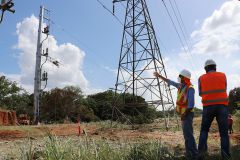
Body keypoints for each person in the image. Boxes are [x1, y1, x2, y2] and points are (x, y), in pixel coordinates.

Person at [154, 69, 198, 159]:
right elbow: (170, 82)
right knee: (186, 135)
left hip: (187, 114)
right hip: (184, 114)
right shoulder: (180, 86)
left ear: (185, 78)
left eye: (180, 77)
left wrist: (184, 114)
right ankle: (189, 153)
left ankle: (194, 154)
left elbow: (191, 105)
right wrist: (159, 76)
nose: (179, 78)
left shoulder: (190, 88)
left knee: (189, 134)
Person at [198, 59, 230, 159]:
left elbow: (200, 93)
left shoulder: (201, 78)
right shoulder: (223, 75)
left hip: (208, 106)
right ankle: (225, 156)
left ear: (205, 68)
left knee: (204, 130)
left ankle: (201, 154)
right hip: (222, 106)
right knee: (224, 133)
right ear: (215, 67)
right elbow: (224, 88)